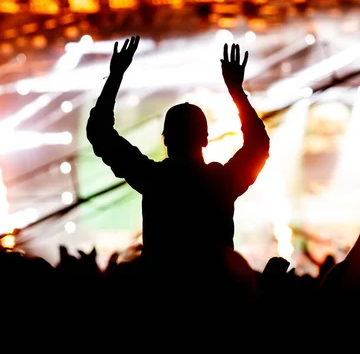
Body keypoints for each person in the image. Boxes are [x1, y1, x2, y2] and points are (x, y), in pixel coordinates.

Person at [86, 36, 270, 274]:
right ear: (205, 139)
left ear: (166, 139)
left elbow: (99, 132)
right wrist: (236, 91)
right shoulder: (222, 181)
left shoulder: (154, 179)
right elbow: (258, 145)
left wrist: (115, 76)